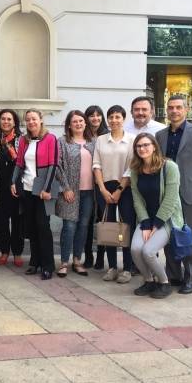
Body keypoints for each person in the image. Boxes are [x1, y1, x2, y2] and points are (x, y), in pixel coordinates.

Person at [155, 95, 192, 294]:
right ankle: (174, 275)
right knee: (169, 235)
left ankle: (191, 276)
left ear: (186, 110)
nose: (174, 111)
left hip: (189, 193)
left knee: (189, 235)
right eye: (171, 107)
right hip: (166, 194)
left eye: (178, 107)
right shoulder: (160, 135)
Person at [130, 133, 182, 299]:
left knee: (149, 251)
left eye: (146, 145)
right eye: (139, 146)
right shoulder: (135, 170)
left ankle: (164, 283)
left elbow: (171, 199)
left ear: (154, 147)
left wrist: (156, 224)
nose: (142, 148)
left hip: (165, 220)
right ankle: (148, 281)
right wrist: (145, 223)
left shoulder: (169, 167)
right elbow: (137, 198)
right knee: (135, 249)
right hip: (146, 219)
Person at [11, 109, 60, 280]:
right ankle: (34, 262)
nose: (31, 122)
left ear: (41, 120)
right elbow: (19, 163)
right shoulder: (24, 140)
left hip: (42, 189)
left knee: (43, 227)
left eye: (34, 119)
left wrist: (46, 190)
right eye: (28, 119)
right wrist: (13, 182)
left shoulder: (50, 138)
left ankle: (48, 265)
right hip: (26, 187)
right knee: (31, 227)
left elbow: (53, 165)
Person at [92, 105, 136, 284]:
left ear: (124, 119)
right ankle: (111, 267)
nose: (113, 120)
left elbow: (131, 168)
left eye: (117, 117)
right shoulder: (101, 140)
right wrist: (102, 189)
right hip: (104, 187)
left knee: (126, 227)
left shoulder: (132, 140)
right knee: (109, 227)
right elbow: (96, 165)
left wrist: (119, 190)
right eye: (110, 117)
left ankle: (127, 268)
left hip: (125, 187)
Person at [56, 110, 95, 277]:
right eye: (75, 122)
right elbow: (57, 166)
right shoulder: (62, 142)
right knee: (69, 226)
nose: (78, 124)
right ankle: (64, 261)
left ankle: (77, 260)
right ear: (69, 125)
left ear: (85, 123)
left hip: (89, 192)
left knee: (83, 226)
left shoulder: (93, 142)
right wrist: (66, 188)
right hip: (70, 192)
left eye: (81, 121)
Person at [0, 109, 23, 266]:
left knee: (17, 221)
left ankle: (17, 252)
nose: (6, 122)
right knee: (1, 222)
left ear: (14, 122)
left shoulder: (22, 139)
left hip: (16, 186)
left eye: (9, 119)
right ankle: (4, 251)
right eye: (3, 119)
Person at [83, 105, 109, 269]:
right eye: (92, 115)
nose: (95, 118)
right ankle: (88, 255)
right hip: (85, 184)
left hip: (103, 184)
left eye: (98, 115)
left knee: (102, 221)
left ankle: (101, 256)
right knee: (86, 221)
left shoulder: (106, 135)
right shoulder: (82, 136)